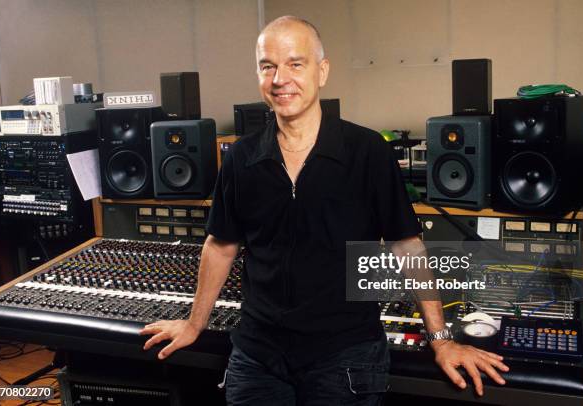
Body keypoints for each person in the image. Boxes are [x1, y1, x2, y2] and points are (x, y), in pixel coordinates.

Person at [140, 15, 509, 405]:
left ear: (322, 71)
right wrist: (195, 323)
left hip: (346, 357)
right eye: (268, 66)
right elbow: (220, 246)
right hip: (258, 356)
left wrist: (441, 340)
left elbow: (407, 247)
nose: (281, 78)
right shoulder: (241, 158)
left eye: (296, 64)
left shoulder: (368, 151)